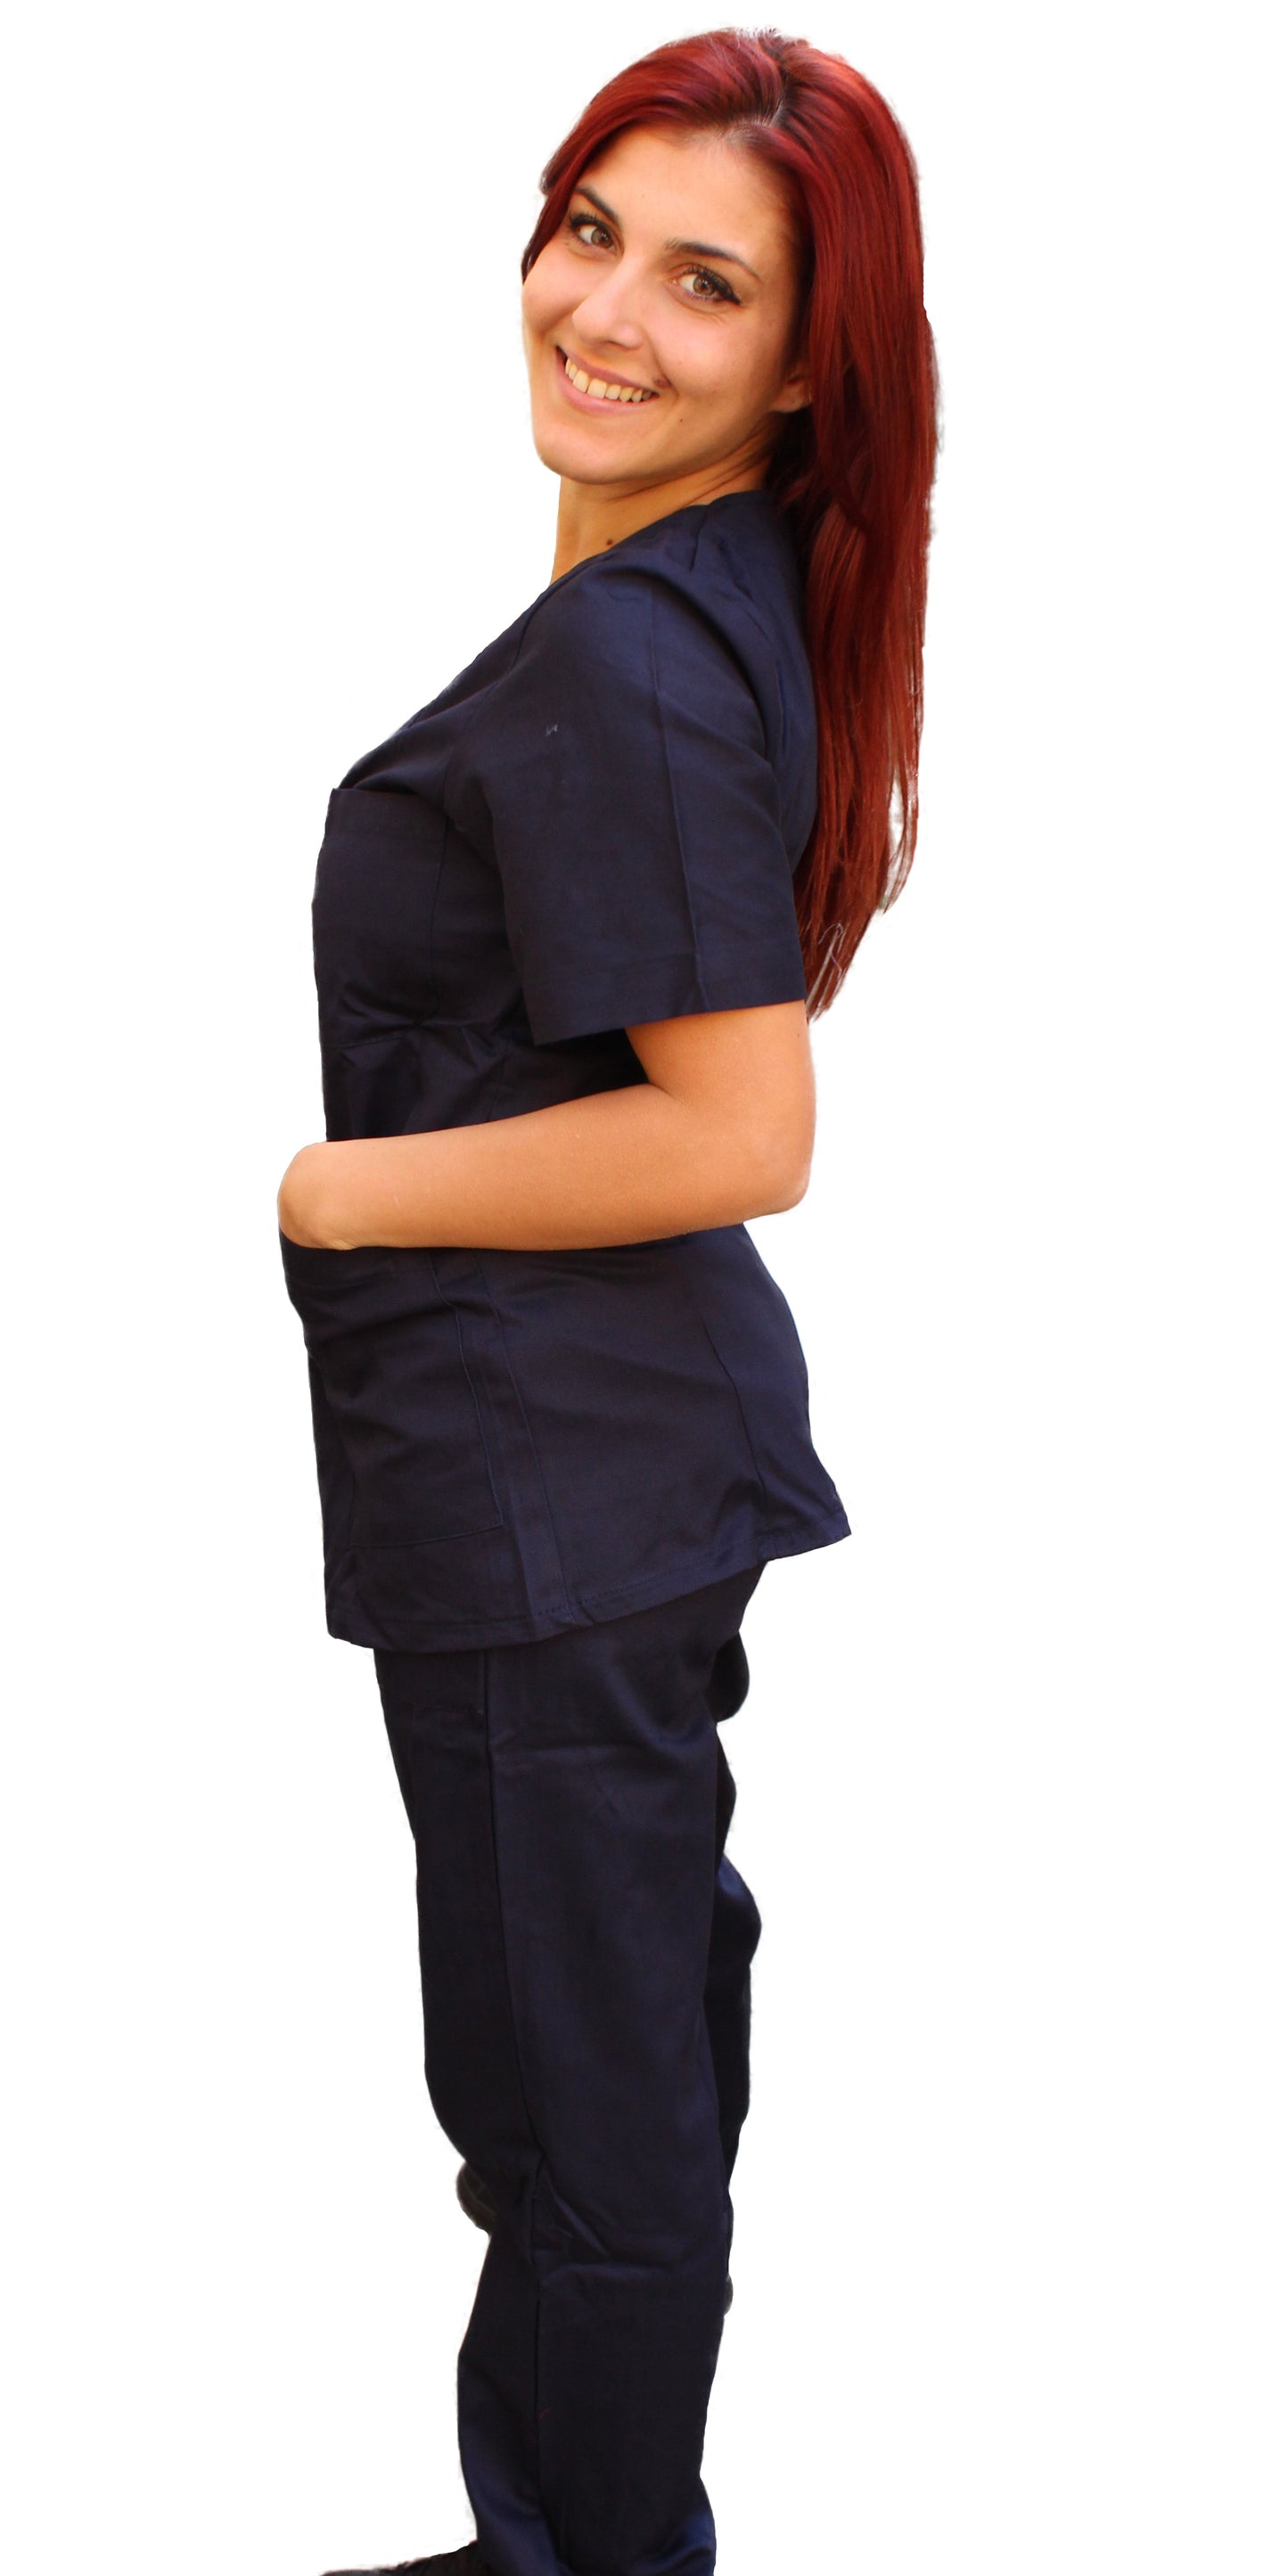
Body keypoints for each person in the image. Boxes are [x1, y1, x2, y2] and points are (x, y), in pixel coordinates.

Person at [276, 27, 937, 2576]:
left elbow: (742, 1130)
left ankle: (597, 2556)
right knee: (598, 2063)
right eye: (590, 233)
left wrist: (342, 1189)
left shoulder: (635, 653)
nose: (609, 315)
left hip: (556, 1487)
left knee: (581, 2102)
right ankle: (555, 2527)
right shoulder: (692, 595)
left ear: (808, 363)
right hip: (587, 1480)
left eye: (707, 282)